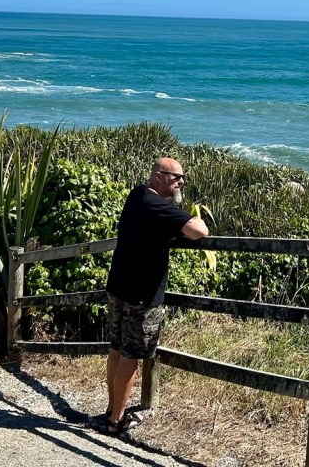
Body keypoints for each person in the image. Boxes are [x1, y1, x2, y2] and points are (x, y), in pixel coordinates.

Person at [101, 157, 209, 435]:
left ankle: (111, 410)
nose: (180, 182)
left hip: (119, 288)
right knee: (130, 357)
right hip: (141, 295)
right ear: (158, 177)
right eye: (176, 177)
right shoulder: (157, 206)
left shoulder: (137, 195)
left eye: (182, 178)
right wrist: (183, 217)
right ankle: (116, 421)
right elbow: (199, 231)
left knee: (116, 349)